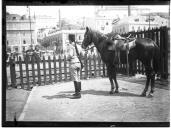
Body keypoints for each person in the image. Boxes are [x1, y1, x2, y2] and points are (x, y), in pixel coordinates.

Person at [66, 34, 83, 99]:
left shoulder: (71, 46)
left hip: (73, 63)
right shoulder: (78, 46)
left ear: (70, 39)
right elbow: (82, 54)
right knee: (78, 78)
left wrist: (67, 59)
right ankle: (78, 92)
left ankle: (77, 94)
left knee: (75, 78)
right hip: (78, 63)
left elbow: (70, 55)